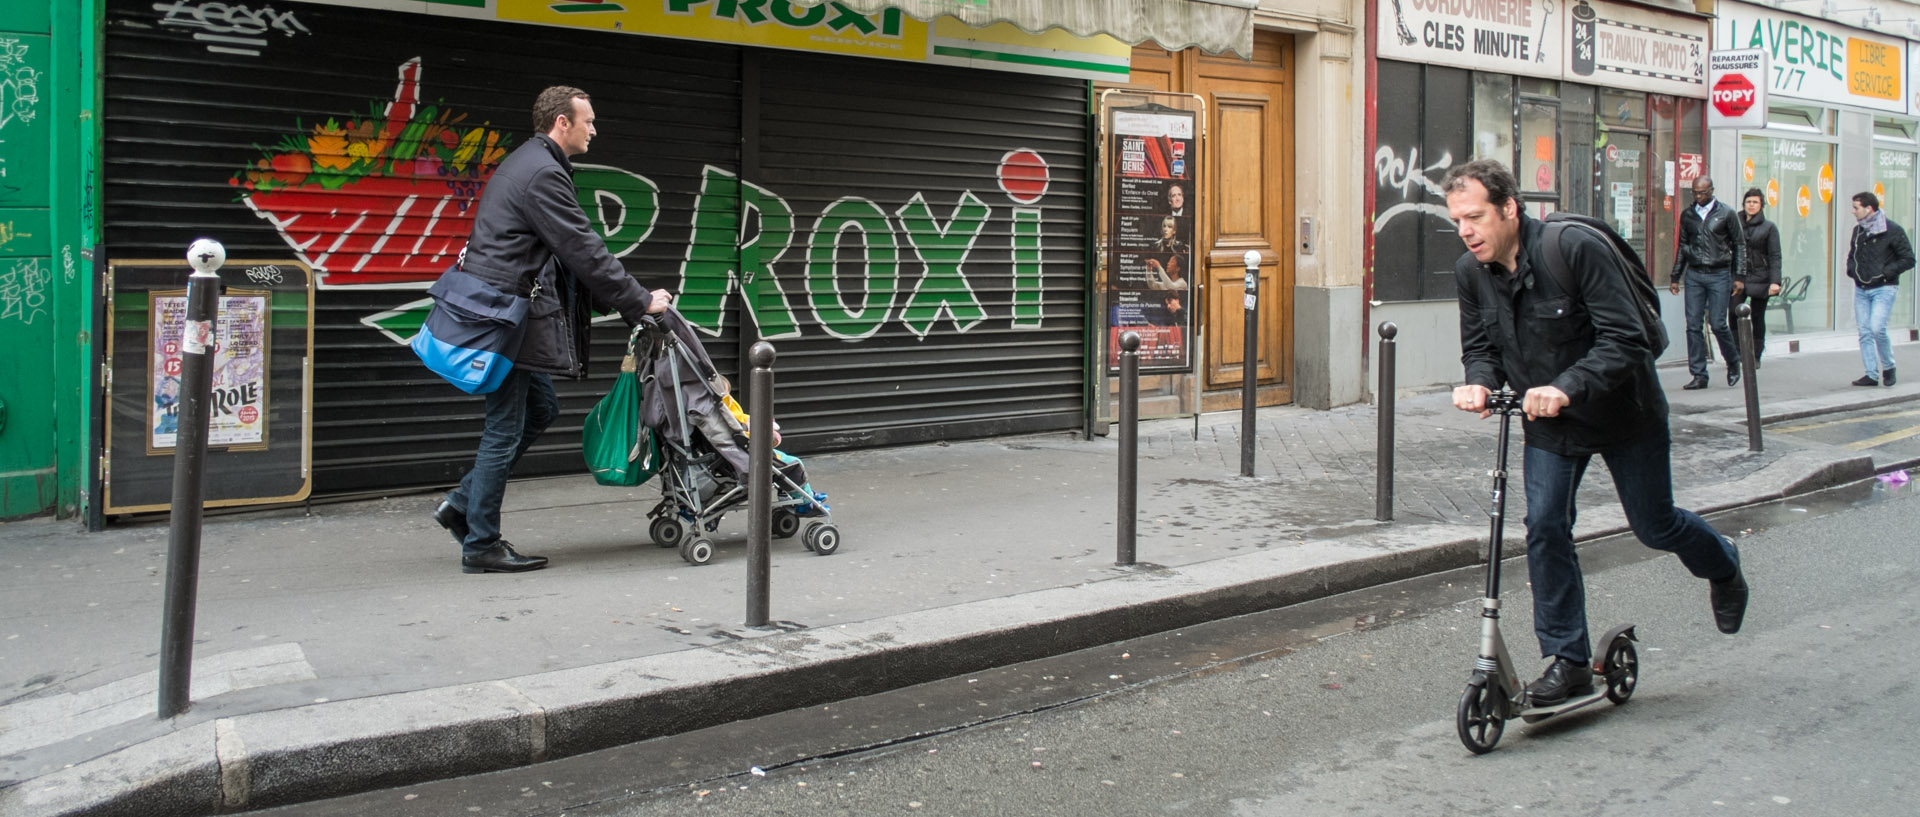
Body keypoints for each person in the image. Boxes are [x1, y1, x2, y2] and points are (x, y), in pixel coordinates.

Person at [1443, 159, 1748, 706]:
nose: (1465, 231)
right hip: (1550, 425)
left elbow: (1628, 339)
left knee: (1654, 525)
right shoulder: (1471, 272)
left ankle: (1722, 563)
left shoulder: (1573, 249)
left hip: (1624, 413)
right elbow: (1481, 348)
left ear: (1509, 208)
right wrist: (1480, 383)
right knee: (1544, 528)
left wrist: (1565, 386)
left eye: (1474, 217)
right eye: (1457, 220)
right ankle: (1569, 661)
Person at [432, 86, 674, 574]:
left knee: (541, 408)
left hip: (509, 315)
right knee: (505, 427)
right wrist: (640, 301)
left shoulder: (532, 163)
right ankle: (481, 542)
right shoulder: (541, 172)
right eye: (588, 121)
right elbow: (582, 248)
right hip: (505, 319)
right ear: (561, 123)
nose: (594, 130)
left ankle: (463, 504)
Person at [1669, 176, 1745, 389]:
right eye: (1694, 192)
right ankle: (1699, 374)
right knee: (1693, 325)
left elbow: (1739, 245)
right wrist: (1676, 276)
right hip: (1694, 274)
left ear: (1712, 190)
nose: (1698, 196)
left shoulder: (1726, 213)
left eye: (1702, 192)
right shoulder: (1688, 215)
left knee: (1718, 323)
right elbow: (1683, 246)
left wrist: (1739, 276)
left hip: (1719, 273)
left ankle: (1733, 362)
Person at [1844, 191, 1913, 387]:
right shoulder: (1858, 231)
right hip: (1861, 288)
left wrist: (1886, 272)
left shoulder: (1892, 230)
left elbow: (1908, 259)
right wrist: (1851, 271)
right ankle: (1871, 374)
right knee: (1864, 331)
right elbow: (1852, 255)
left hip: (1884, 287)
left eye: (1856, 207)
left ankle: (1889, 367)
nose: (1853, 211)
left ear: (1869, 209)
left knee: (1876, 328)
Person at [1732, 188, 1781, 369]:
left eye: (1755, 202)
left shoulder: (1769, 227)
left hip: (1761, 277)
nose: (1751, 205)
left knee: (1758, 316)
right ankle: (1738, 352)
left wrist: (1775, 281)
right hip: (1739, 276)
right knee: (1732, 312)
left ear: (1761, 206)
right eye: (1748, 202)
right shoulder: (1735, 223)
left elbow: (1775, 255)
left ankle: (1756, 354)